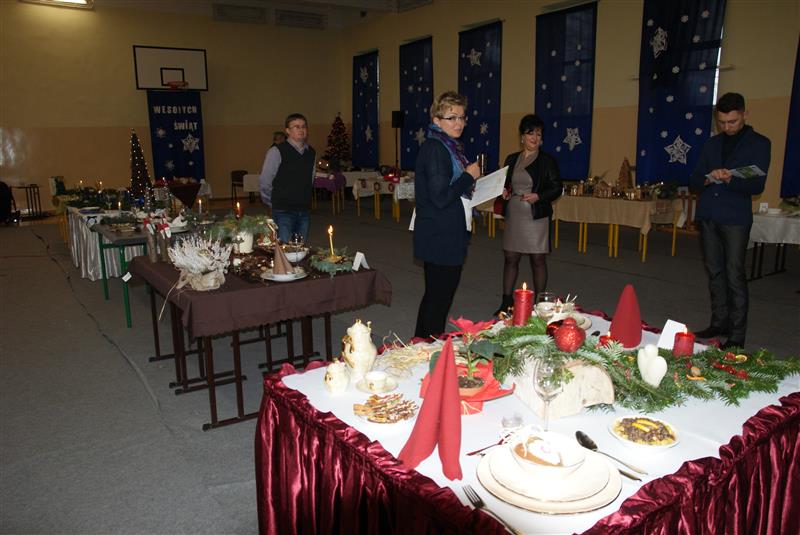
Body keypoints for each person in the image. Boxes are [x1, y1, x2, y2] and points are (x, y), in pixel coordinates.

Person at [689, 92, 771, 349]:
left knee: (735, 274)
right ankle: (719, 322)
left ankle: (736, 335)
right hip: (709, 214)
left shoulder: (760, 143)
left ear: (745, 115)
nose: (727, 127)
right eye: (722, 122)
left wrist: (730, 179)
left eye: (732, 121)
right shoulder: (712, 144)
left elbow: (757, 186)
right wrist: (708, 178)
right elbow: (694, 180)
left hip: (735, 217)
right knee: (715, 271)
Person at [413, 91, 481, 338]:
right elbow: (441, 197)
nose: (459, 123)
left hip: (446, 231)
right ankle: (429, 347)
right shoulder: (436, 148)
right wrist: (468, 177)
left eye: (462, 118)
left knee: (436, 298)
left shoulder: (448, 147)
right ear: (436, 120)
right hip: (440, 235)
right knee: (438, 300)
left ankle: (422, 344)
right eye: (452, 118)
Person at [494, 114, 562, 316]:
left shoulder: (547, 160)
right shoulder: (512, 158)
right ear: (522, 136)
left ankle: (541, 305)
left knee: (537, 260)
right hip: (515, 214)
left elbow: (556, 187)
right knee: (510, 258)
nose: (534, 137)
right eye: (530, 133)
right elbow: (506, 184)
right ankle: (506, 302)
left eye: (538, 134)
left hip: (536, 217)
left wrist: (539, 196)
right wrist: (504, 191)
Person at [259, 114, 316, 243]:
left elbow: (310, 178)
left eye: (303, 126)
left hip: (304, 209)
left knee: (300, 248)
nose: (301, 130)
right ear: (288, 131)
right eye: (296, 127)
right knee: (284, 248)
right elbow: (265, 181)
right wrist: (272, 202)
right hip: (283, 210)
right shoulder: (277, 151)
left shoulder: (311, 152)